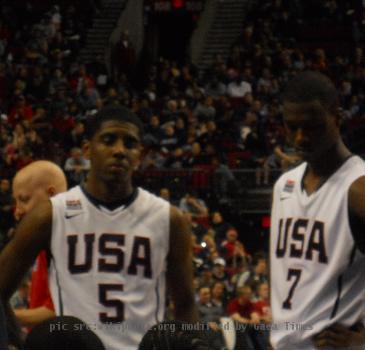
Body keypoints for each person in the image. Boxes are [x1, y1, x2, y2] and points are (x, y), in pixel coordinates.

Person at [0, 105, 197, 350]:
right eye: (108, 140)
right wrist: (18, 344)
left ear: (140, 154)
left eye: (130, 143)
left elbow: (186, 305)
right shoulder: (50, 215)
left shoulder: (169, 219)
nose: (119, 151)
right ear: (87, 150)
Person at [270, 71, 365, 350]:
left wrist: (362, 338)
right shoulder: (283, 186)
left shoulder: (357, 188)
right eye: (292, 127)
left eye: (312, 127)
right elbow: (284, 270)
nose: (300, 138)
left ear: (337, 117)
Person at [12, 160, 68, 327]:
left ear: (52, 195)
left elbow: (56, 314)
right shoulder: (45, 241)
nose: (17, 211)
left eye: (24, 199)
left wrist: (9, 316)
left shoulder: (66, 243)